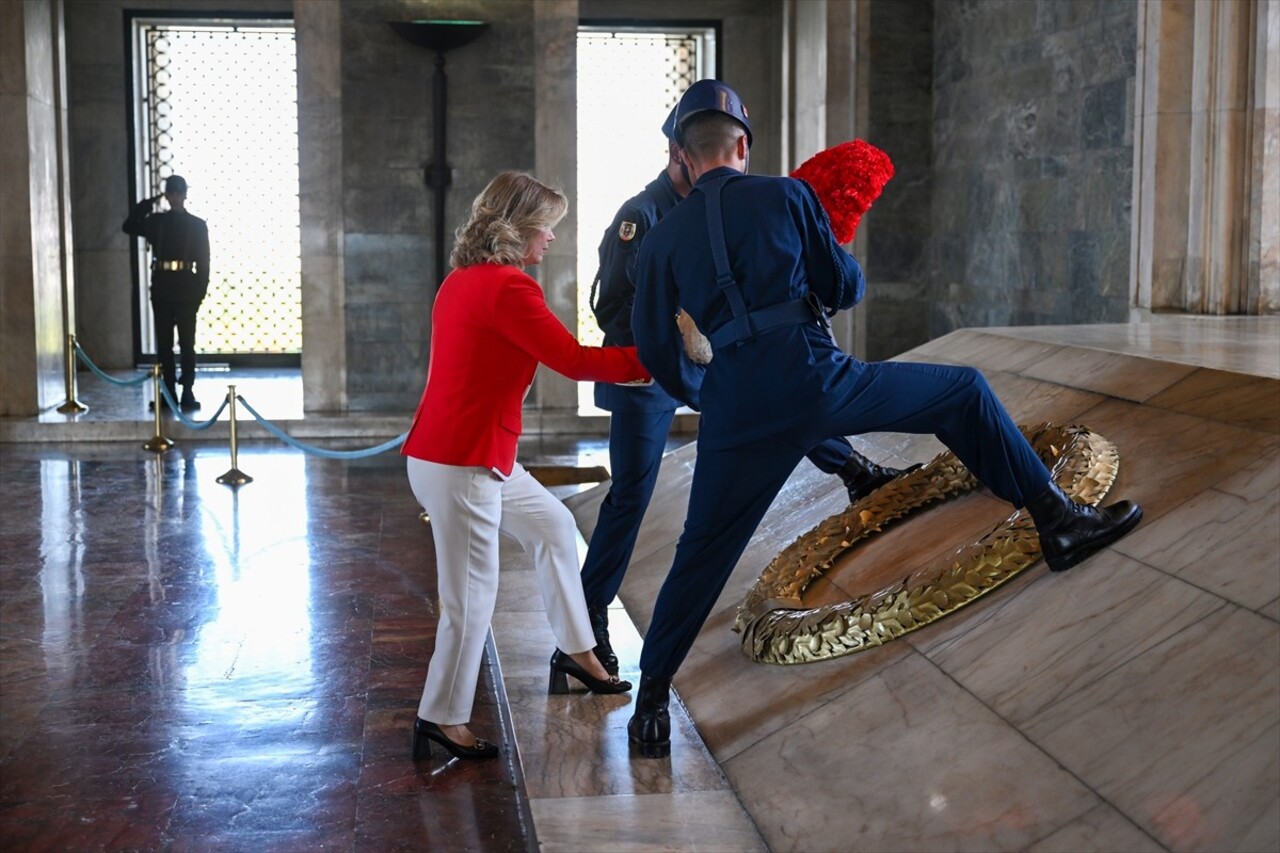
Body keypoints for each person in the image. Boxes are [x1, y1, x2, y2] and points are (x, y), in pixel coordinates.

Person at [626, 80, 1143, 758]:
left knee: (700, 553)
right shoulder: (785, 195)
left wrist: (707, 392)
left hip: (733, 409)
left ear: (685, 158)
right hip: (818, 383)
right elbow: (842, 287)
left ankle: (651, 702)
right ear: (743, 145)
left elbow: (659, 351)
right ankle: (1057, 521)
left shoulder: (662, 241)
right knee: (962, 391)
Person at [580, 109, 908, 677]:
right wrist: (682, 328)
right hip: (647, 372)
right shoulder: (642, 214)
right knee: (631, 496)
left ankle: (854, 469)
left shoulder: (726, 204)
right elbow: (611, 307)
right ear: (679, 153)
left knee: (777, 400)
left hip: (717, 363)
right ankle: (584, 628)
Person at [403, 171, 646, 761]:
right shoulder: (508, 288)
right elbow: (572, 359)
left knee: (555, 528)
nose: (552, 240)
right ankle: (441, 717)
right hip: (463, 461)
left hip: (469, 454)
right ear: (516, 229)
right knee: (470, 599)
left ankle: (578, 653)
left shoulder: (463, 279)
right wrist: (657, 358)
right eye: (547, 228)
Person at [122, 174, 210, 412]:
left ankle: (188, 391)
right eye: (171, 193)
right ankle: (168, 392)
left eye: (179, 193)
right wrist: (150, 202)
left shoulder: (197, 225)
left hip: (186, 288)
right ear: (167, 195)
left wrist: (199, 293)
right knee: (164, 344)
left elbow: (204, 263)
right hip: (162, 287)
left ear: (185, 195)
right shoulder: (156, 221)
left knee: (187, 343)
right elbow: (128, 226)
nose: (175, 198)